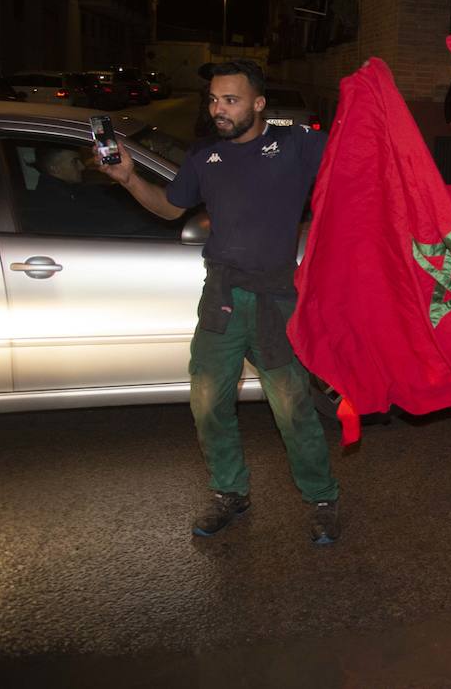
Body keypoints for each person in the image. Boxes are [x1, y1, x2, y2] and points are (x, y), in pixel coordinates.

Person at [97, 59, 341, 545]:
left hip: (275, 297)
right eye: (213, 100)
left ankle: (322, 498)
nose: (218, 110)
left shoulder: (296, 145)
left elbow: (357, 164)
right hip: (222, 295)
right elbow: (170, 207)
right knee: (208, 403)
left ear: (258, 103)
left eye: (230, 100)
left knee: (293, 407)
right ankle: (230, 492)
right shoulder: (204, 155)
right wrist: (128, 177)